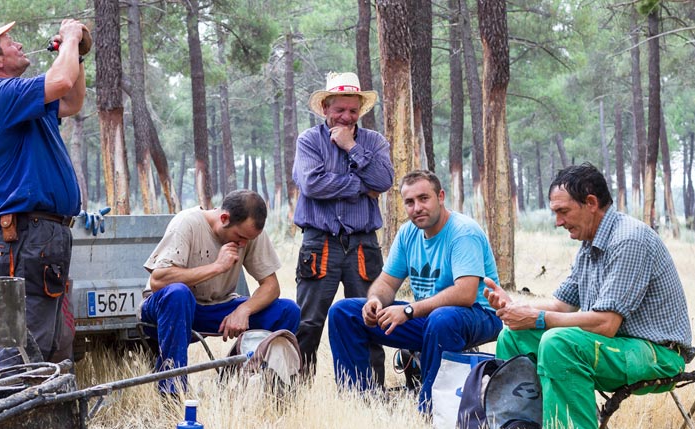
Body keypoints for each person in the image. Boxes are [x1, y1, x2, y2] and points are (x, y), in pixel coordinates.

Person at [484, 163, 694, 429]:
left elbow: (606, 324)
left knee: (559, 342)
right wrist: (516, 308)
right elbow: (562, 305)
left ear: (591, 203)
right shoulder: (589, 243)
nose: (558, 222)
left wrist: (538, 319)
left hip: (657, 353)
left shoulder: (629, 240)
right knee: (513, 335)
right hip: (612, 348)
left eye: (563, 211)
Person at [0, 20, 87, 362]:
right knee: (25, 345)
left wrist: (76, 54)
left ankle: (42, 413)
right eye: (10, 41)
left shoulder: (21, 100)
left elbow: (72, 99)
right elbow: (60, 80)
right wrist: (72, 38)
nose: (18, 45)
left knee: (50, 344)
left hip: (43, 236)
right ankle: (14, 411)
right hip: (28, 236)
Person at [327, 170, 502, 409]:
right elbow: (387, 283)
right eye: (410, 202)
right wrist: (375, 301)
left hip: (479, 315)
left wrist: (409, 310)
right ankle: (359, 402)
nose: (417, 207)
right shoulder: (408, 233)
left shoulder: (463, 232)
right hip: (429, 316)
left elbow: (465, 293)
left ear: (440, 197)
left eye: (424, 198)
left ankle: (430, 407)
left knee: (442, 319)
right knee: (344, 312)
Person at [141, 190, 301, 394]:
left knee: (288, 310)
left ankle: (257, 384)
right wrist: (217, 267)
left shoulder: (249, 232)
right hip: (169, 307)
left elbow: (271, 286)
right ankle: (173, 392)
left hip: (217, 307)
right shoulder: (187, 222)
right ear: (224, 218)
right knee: (179, 294)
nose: (243, 244)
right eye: (240, 237)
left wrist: (244, 310)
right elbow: (158, 281)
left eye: (248, 239)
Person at [292, 71, 394, 381]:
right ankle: (296, 392)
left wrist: (351, 147)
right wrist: (361, 185)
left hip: (363, 244)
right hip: (319, 243)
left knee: (369, 317)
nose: (347, 116)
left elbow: (384, 181)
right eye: (340, 110)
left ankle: (367, 391)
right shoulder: (309, 140)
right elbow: (312, 185)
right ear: (325, 108)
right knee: (307, 322)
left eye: (353, 110)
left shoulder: (373, 142)